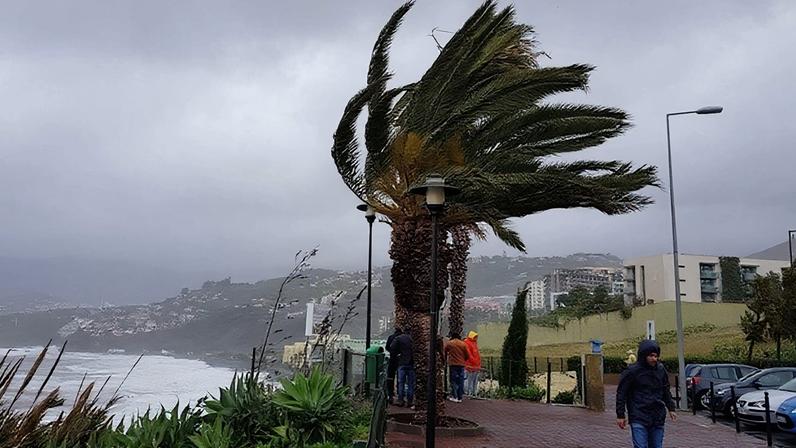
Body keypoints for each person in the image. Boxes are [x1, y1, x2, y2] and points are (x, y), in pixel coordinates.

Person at [616, 340, 677, 448]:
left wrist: (671, 407)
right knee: (640, 446)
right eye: (651, 356)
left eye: (656, 356)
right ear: (644, 355)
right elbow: (622, 392)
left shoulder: (660, 370)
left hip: (657, 415)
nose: (654, 359)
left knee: (656, 445)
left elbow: (665, 389)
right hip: (639, 414)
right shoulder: (632, 371)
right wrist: (620, 414)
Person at [390, 328, 415, 407]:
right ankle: (410, 401)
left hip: (401, 363)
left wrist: (397, 354)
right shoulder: (412, 339)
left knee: (401, 383)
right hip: (411, 363)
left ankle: (401, 400)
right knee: (411, 383)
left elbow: (392, 347)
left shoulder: (399, 338)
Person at [444, 333, 469, 403]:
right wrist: (463, 360)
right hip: (461, 364)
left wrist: (445, 360)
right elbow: (467, 355)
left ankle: (454, 396)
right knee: (461, 381)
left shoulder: (449, 343)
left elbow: (445, 351)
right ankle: (460, 397)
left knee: (453, 380)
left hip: (453, 364)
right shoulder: (463, 344)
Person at [385, 327, 402, 404]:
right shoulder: (403, 337)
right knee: (400, 377)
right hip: (401, 359)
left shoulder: (391, 337)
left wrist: (392, 352)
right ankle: (400, 393)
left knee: (390, 376)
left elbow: (387, 347)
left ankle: (390, 393)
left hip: (392, 359)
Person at [464, 330, 481, 397]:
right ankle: (469, 393)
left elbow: (476, 354)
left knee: (474, 381)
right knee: (469, 380)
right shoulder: (467, 343)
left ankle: (474, 393)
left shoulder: (474, 343)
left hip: (476, 366)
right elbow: (469, 355)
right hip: (470, 366)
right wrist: (475, 362)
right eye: (475, 337)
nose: (476, 338)